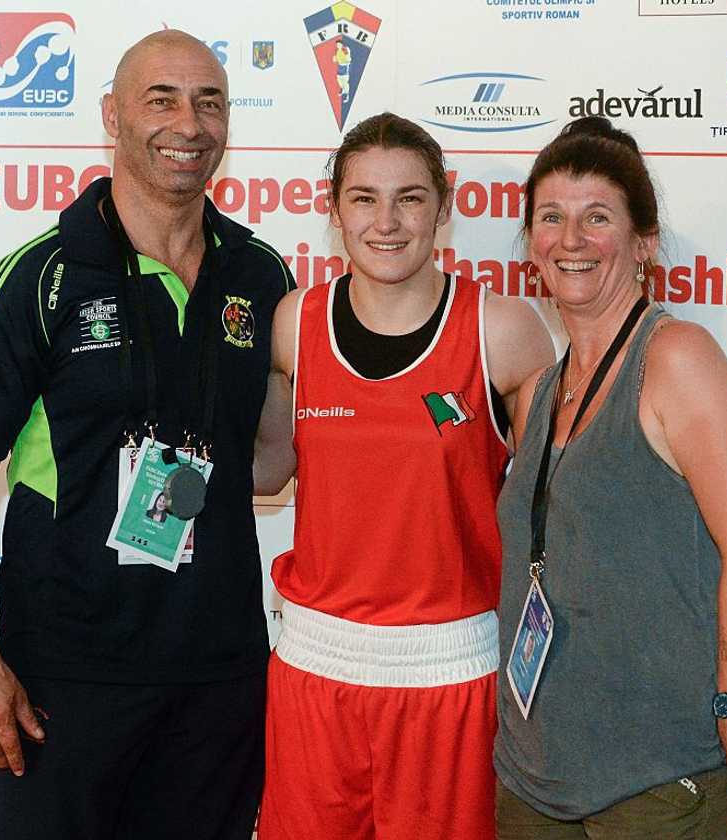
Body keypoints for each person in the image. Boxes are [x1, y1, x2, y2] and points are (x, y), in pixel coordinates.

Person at [0, 30, 293, 840]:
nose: (188, 124)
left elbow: (271, 462)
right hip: (62, 680)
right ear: (112, 117)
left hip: (218, 678)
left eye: (209, 102)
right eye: (161, 99)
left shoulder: (263, 278)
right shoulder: (37, 277)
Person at [492, 117, 727, 838]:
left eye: (596, 217)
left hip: (656, 782)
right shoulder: (542, 387)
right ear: (530, 240)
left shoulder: (676, 359)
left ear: (644, 243)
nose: (570, 239)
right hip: (533, 776)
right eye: (552, 217)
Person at [252, 113, 554, 840]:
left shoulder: (503, 331)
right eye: (363, 198)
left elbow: (558, 506)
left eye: (410, 198)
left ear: (444, 209)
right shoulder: (296, 322)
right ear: (333, 212)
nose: (386, 221)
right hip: (315, 670)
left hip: (450, 673)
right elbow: (264, 471)